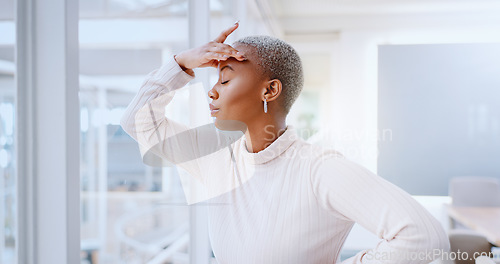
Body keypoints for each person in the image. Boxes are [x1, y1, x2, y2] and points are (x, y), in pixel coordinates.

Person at [120, 21, 450, 263]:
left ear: (270, 90)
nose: (212, 90)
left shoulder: (320, 170)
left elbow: (424, 237)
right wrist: (179, 64)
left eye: (225, 78)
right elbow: (138, 121)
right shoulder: (216, 160)